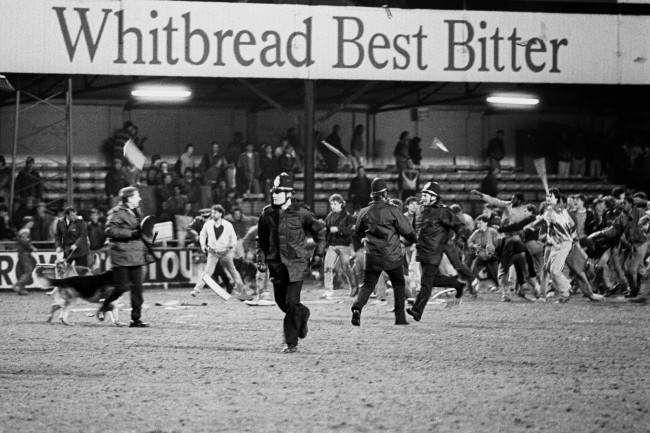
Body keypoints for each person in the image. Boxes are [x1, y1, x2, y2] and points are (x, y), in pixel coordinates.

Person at [256, 172, 325, 353]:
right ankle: (303, 314)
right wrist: (261, 259)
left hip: (296, 265)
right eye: (274, 191)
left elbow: (320, 233)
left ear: (289, 194)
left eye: (279, 191)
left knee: (292, 302)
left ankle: (290, 342)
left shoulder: (302, 213)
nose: (274, 194)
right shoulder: (266, 214)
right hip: (276, 266)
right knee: (283, 304)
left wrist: (318, 254)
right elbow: (261, 240)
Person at [350, 177, 417, 327]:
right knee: (399, 284)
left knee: (367, 285)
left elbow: (357, 233)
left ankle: (357, 307)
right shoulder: (393, 210)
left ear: (372, 195)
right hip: (392, 255)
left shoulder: (364, 211)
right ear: (385, 193)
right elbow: (408, 231)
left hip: (372, 255)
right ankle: (400, 318)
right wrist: (413, 240)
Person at [406, 182, 471, 322]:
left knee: (425, 283)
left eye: (426, 194)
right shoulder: (419, 210)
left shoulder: (443, 211)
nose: (422, 196)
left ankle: (417, 311)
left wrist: (460, 239)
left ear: (434, 197)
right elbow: (413, 231)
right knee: (431, 281)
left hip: (434, 252)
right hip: (422, 252)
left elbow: (459, 226)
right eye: (422, 193)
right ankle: (457, 284)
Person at [100, 186, 153, 327]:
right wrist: (131, 234)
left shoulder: (137, 211)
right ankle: (105, 304)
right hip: (121, 256)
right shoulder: (116, 212)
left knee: (138, 290)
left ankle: (135, 319)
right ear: (129, 198)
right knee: (122, 287)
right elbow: (109, 230)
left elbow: (140, 231)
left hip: (136, 255)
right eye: (137, 196)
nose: (140, 198)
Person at [190, 204, 248, 298]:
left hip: (226, 252)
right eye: (212, 213)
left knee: (233, 271)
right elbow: (202, 235)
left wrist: (230, 248)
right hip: (213, 252)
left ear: (221, 214)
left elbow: (233, 238)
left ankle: (243, 291)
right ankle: (196, 290)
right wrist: (203, 245)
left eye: (215, 213)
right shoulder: (208, 224)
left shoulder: (228, 225)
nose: (213, 214)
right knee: (207, 272)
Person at [323, 194, 356, 297]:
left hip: (344, 245)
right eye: (331, 204)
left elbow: (352, 230)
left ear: (341, 204)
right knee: (327, 267)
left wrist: (339, 230)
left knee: (346, 267)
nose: (332, 206)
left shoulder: (348, 216)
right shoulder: (329, 216)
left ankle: (354, 287)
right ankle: (328, 289)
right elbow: (326, 231)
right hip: (332, 245)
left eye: (335, 204)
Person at [13, 216, 36, 296]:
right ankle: (18, 285)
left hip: (22, 253)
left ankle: (21, 289)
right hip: (24, 254)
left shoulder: (24, 230)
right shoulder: (25, 231)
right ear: (27, 223)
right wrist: (31, 247)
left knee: (23, 271)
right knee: (28, 270)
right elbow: (24, 241)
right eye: (31, 222)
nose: (32, 223)